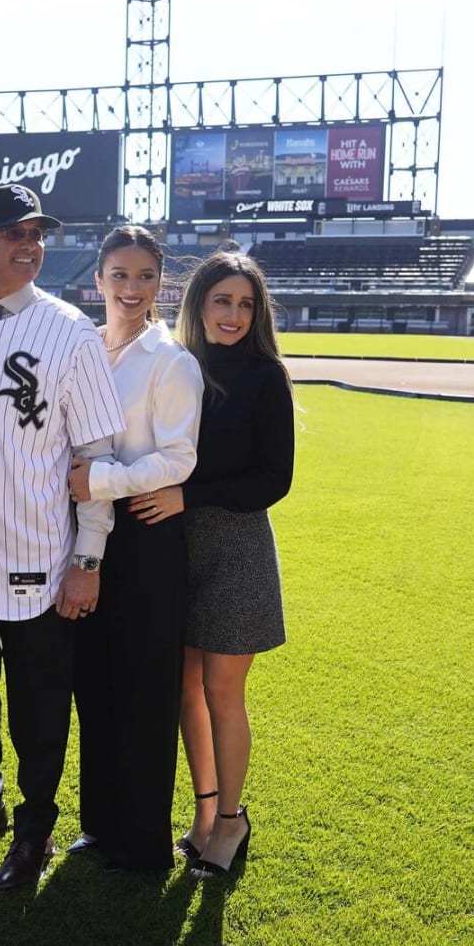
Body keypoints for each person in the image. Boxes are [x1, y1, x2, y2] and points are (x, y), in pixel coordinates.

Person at [0, 184, 125, 891]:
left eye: (37, 232)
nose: (30, 244)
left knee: (39, 711)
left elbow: (97, 456)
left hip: (41, 559)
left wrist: (88, 560)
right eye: (14, 233)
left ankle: (34, 831)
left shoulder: (70, 331)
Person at [134, 248, 294, 882]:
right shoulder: (179, 367)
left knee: (223, 693)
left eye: (245, 304)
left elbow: (272, 480)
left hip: (235, 548)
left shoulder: (264, 375)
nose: (233, 314)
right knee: (185, 691)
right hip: (174, 547)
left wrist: (185, 496)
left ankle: (232, 820)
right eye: (222, 300)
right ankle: (203, 812)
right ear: (198, 303)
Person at [65, 225, 203, 871]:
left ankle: (145, 840)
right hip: (90, 537)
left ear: (160, 284)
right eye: (119, 275)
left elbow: (177, 459)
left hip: (147, 540)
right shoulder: (84, 350)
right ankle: (100, 825)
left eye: (144, 276)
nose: (131, 288)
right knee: (95, 686)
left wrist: (103, 481)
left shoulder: (171, 360)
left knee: (146, 691)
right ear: (97, 281)